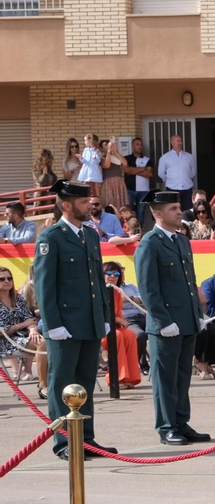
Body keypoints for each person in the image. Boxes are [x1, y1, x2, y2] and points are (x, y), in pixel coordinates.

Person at [34, 181, 118, 458]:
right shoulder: (51, 237)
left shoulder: (90, 236)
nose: (90, 206)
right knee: (62, 384)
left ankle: (87, 440)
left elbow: (96, 281)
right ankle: (64, 443)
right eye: (84, 203)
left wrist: (104, 316)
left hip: (90, 322)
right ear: (66, 205)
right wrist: (53, 323)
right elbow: (45, 286)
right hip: (64, 325)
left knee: (84, 384)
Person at [134, 191, 210, 445]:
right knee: (165, 379)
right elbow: (148, 289)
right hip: (166, 324)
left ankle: (181, 422)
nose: (180, 212)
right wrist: (163, 321)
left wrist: (197, 314)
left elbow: (190, 282)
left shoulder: (181, 241)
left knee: (182, 376)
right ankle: (166, 426)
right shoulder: (149, 243)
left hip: (186, 320)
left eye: (179, 207)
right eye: (173, 208)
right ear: (157, 213)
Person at [0, 265, 38, 383]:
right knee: (42, 344)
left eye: (9, 278)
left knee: (45, 341)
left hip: (22, 336)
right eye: (2, 279)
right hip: (5, 342)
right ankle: (43, 383)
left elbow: (29, 318)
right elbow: (2, 331)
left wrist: (32, 329)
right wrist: (23, 325)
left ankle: (45, 379)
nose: (7, 281)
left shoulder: (18, 298)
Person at [124, 137, 154, 224]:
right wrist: (143, 169)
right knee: (130, 211)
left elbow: (149, 174)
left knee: (140, 211)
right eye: (137, 144)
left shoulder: (147, 159)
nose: (139, 146)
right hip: (130, 189)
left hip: (143, 191)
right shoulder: (127, 159)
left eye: (141, 145)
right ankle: (131, 230)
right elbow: (127, 171)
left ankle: (139, 230)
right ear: (132, 146)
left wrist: (133, 171)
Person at [98, 139, 128, 213]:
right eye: (105, 145)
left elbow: (125, 163)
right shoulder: (101, 157)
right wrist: (108, 152)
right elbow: (106, 165)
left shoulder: (116, 156)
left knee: (121, 206)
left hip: (119, 182)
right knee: (110, 204)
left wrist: (115, 151)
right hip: (108, 183)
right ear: (101, 148)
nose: (108, 146)